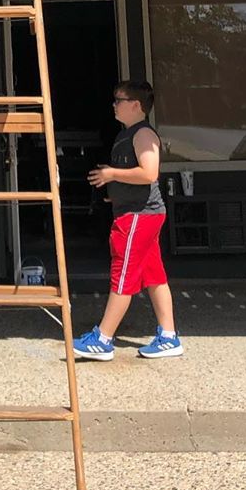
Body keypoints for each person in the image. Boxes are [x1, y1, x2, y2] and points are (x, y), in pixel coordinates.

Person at [73, 80, 183, 360]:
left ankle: (103, 338)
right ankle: (169, 337)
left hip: (139, 215)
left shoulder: (143, 134)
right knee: (154, 276)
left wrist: (111, 175)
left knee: (123, 273)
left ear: (136, 105)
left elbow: (149, 173)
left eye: (118, 100)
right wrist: (115, 192)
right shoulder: (128, 134)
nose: (114, 105)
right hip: (136, 211)